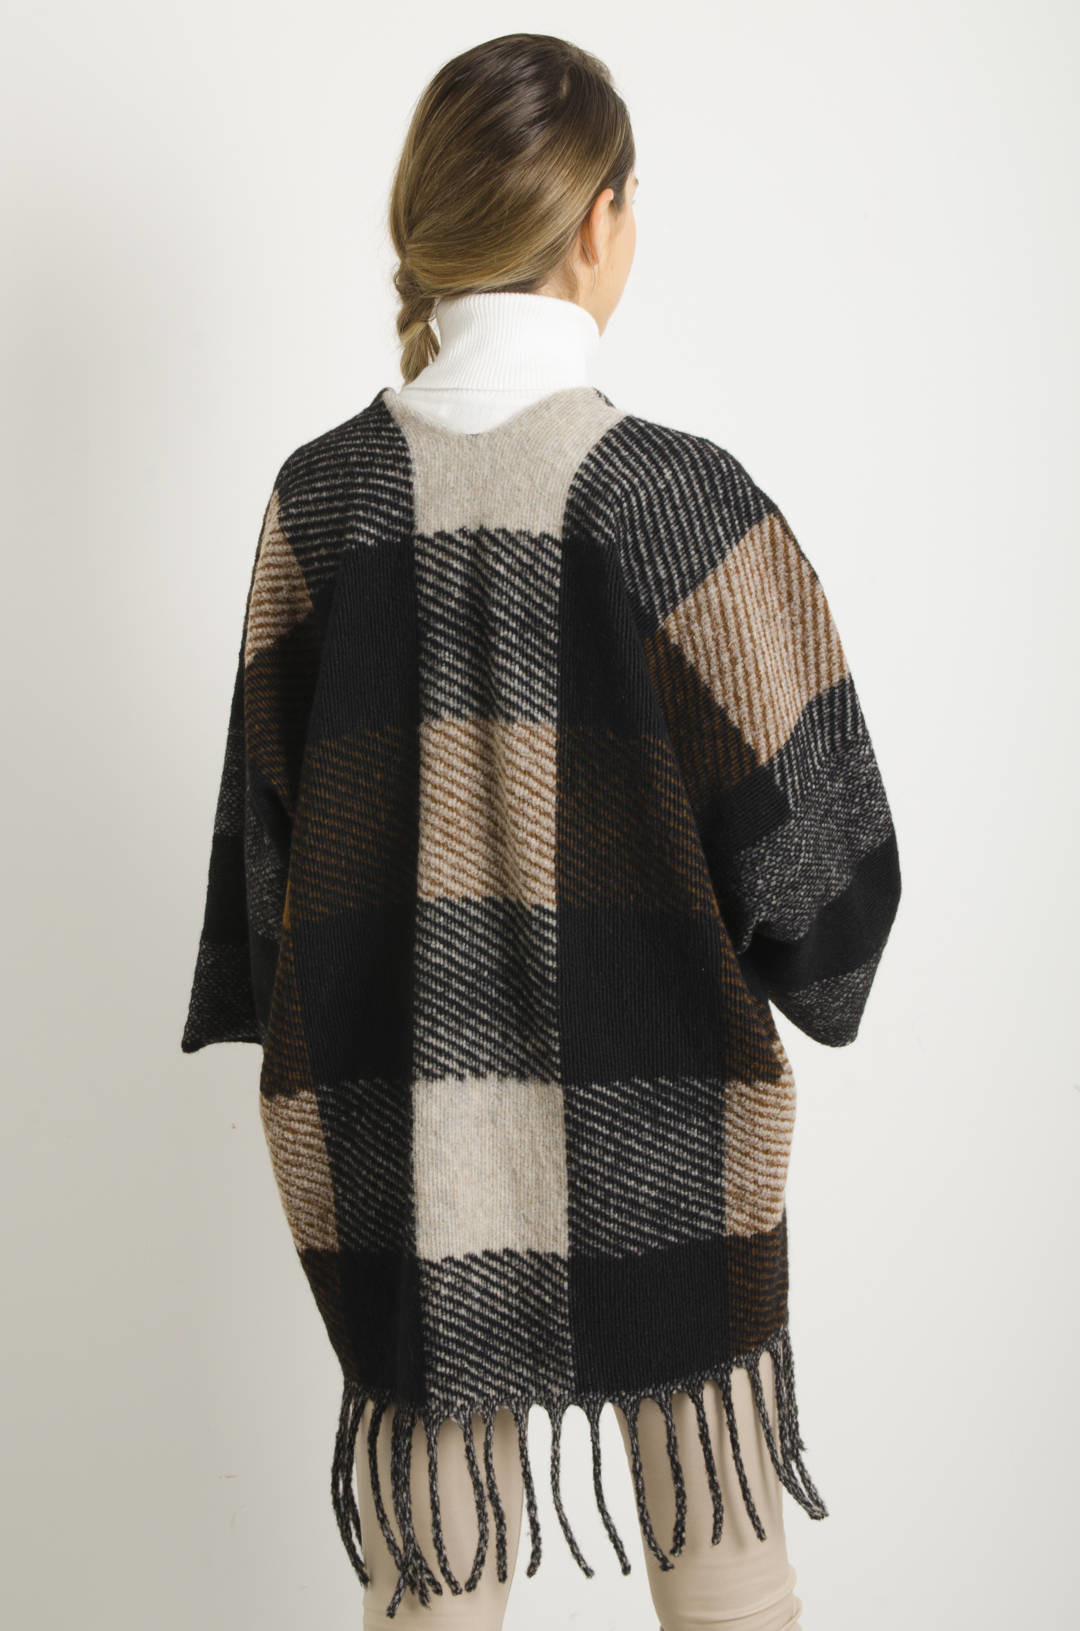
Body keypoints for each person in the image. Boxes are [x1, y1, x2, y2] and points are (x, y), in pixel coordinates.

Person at [181, 31, 901, 1631]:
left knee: (429, 1597)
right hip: (671, 1141)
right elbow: (827, 884)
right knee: (731, 1587)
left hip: (399, 1152)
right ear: (600, 221)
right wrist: (806, 968)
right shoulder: (678, 504)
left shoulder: (324, 506)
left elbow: (266, 880)